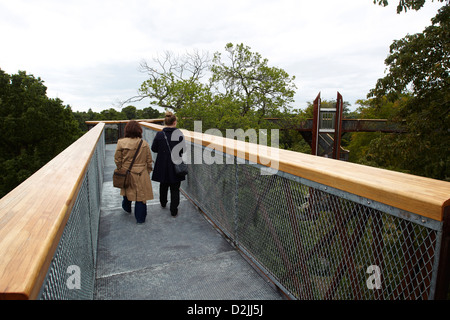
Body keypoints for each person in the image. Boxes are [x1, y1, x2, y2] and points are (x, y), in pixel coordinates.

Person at [114, 120, 154, 224]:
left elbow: (117, 159)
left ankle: (127, 207)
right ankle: (140, 219)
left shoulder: (121, 142)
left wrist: (120, 169)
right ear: (139, 131)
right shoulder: (144, 143)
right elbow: (149, 160)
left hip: (127, 171)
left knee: (127, 190)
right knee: (141, 196)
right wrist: (148, 171)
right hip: (141, 172)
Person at [151, 111, 186, 217]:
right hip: (175, 164)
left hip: (162, 164)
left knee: (163, 184)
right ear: (175, 122)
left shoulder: (159, 134)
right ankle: (173, 210)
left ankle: (163, 202)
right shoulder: (179, 134)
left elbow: (154, 148)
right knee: (175, 188)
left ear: (165, 122)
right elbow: (183, 150)